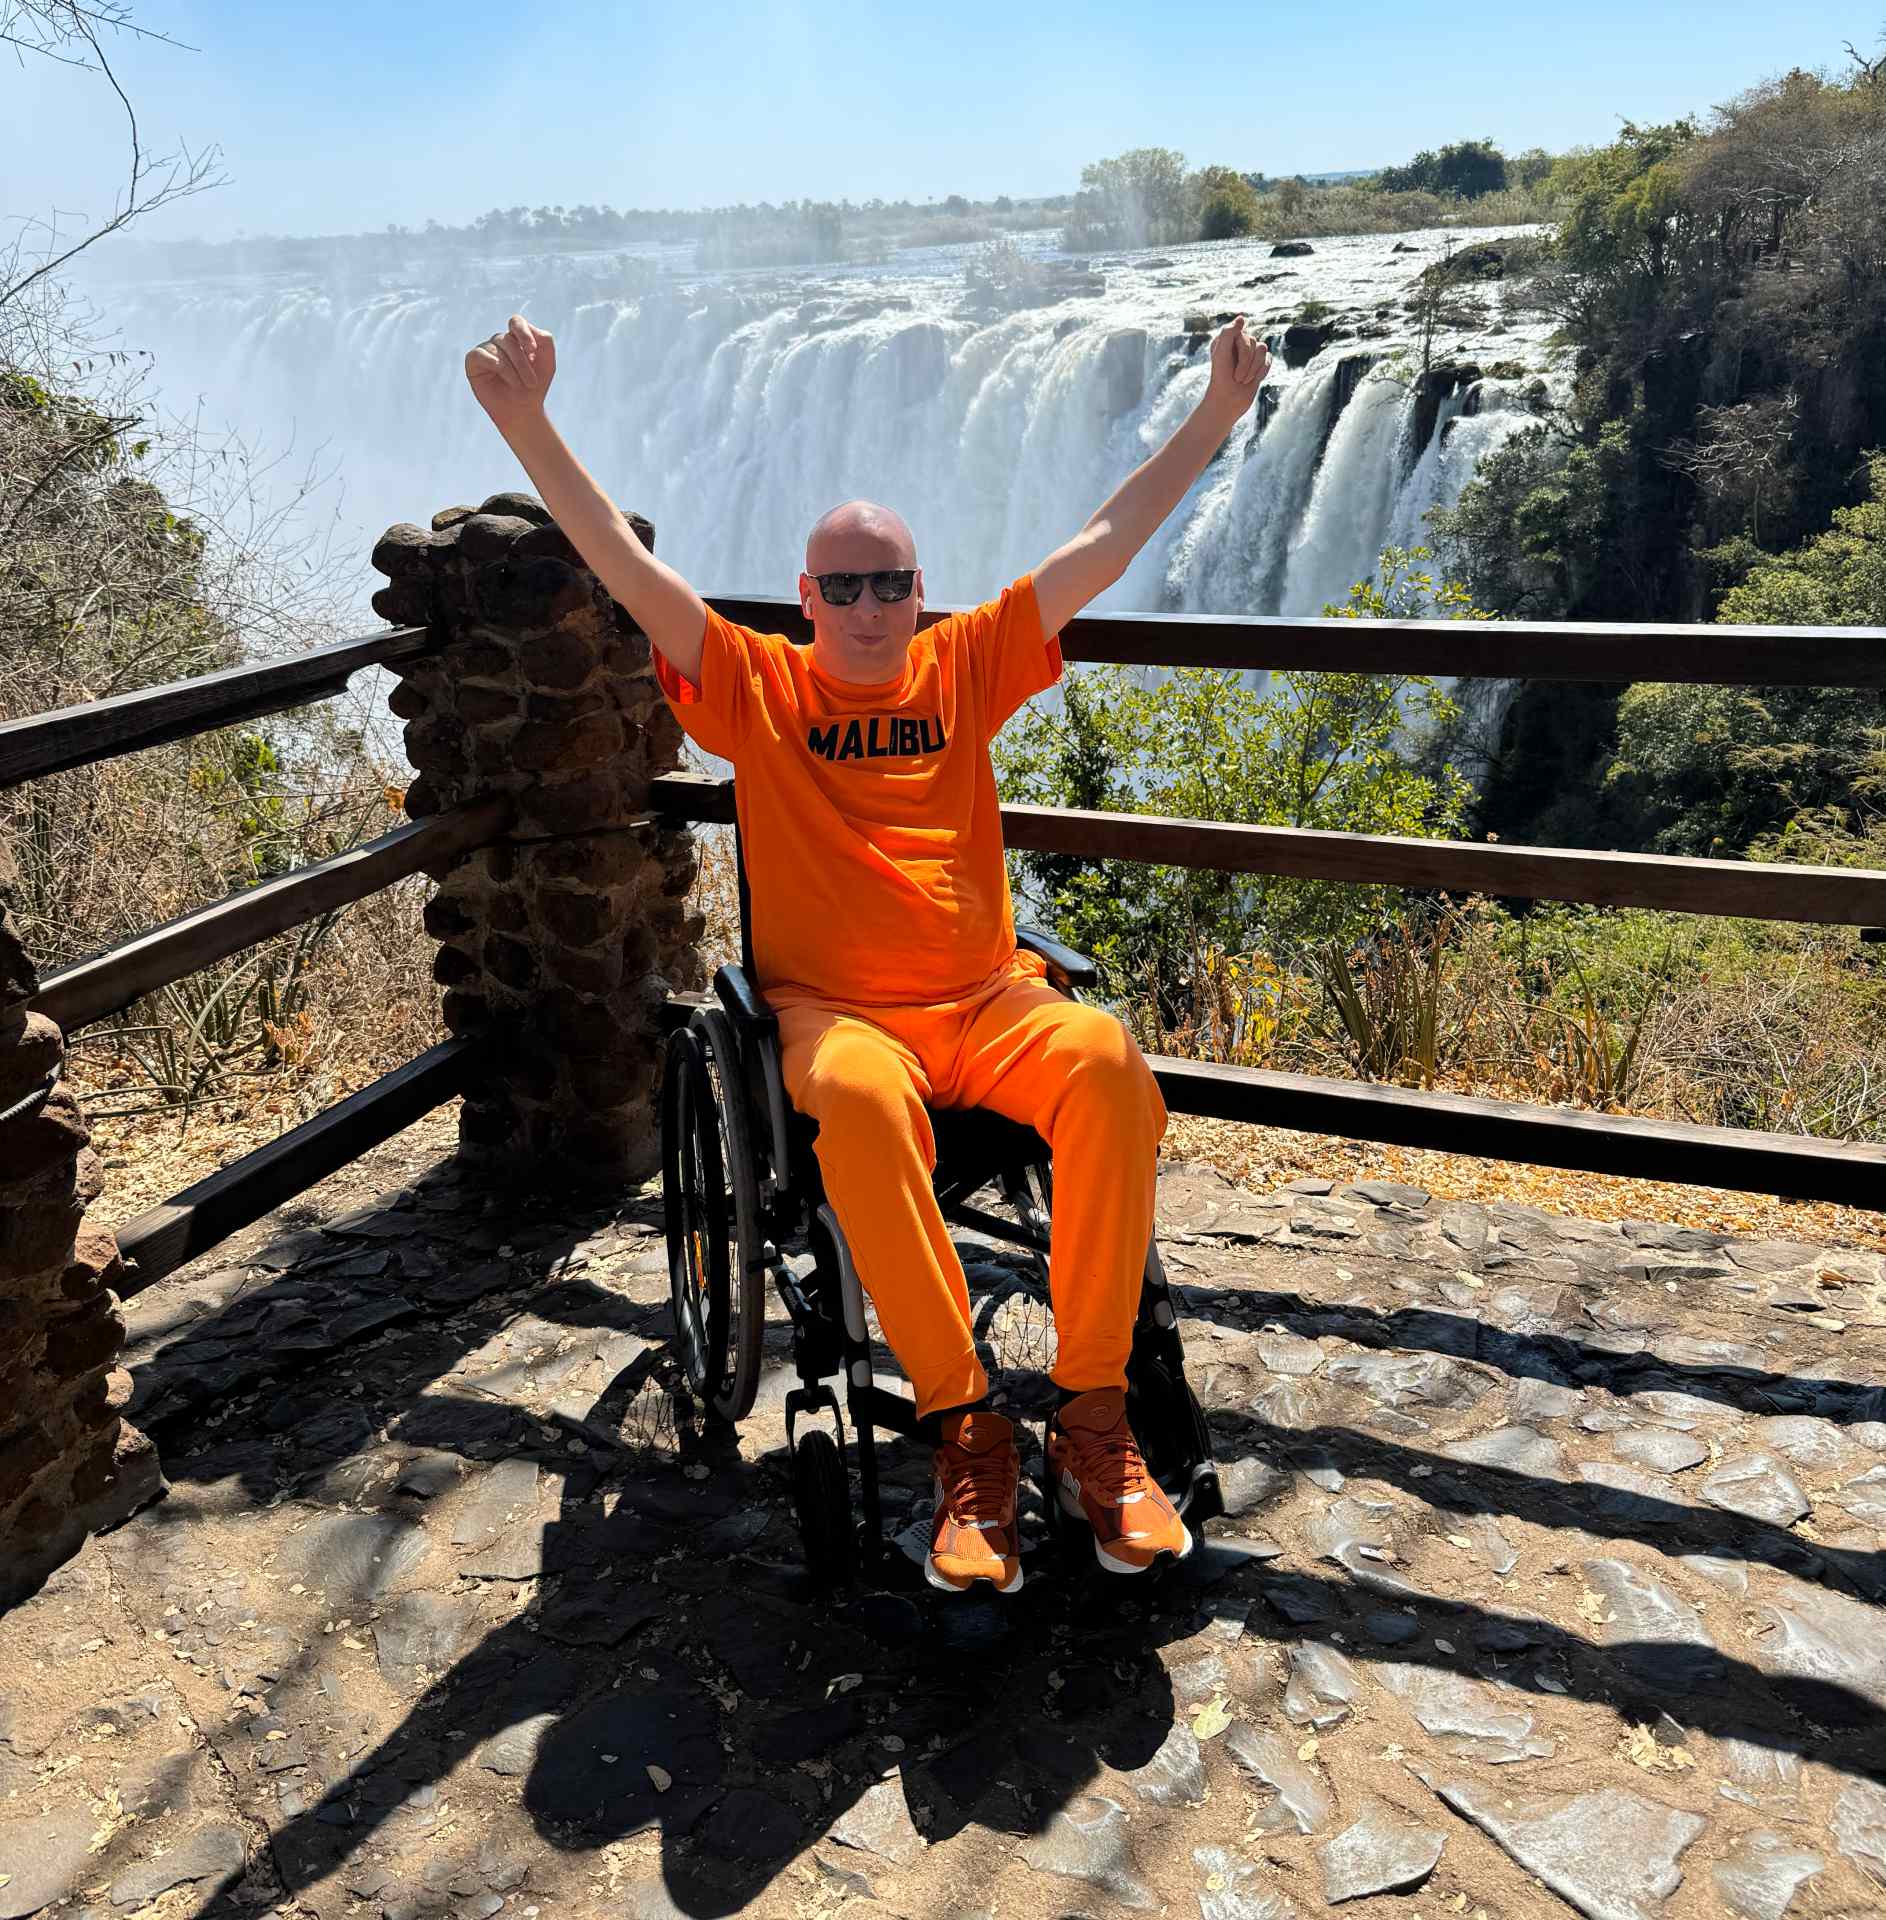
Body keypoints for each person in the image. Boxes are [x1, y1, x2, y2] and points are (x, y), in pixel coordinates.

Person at [466, 309, 1270, 1593]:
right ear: (805, 599)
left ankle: (1092, 1418)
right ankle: (965, 1430)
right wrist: (527, 426)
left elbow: (1104, 540)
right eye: (838, 586)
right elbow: (623, 564)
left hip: (989, 1001)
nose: (864, 606)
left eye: (887, 583)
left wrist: (1214, 417)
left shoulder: (965, 664)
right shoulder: (757, 686)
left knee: (1111, 1066)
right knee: (851, 1099)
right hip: (838, 1017)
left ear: (916, 592)